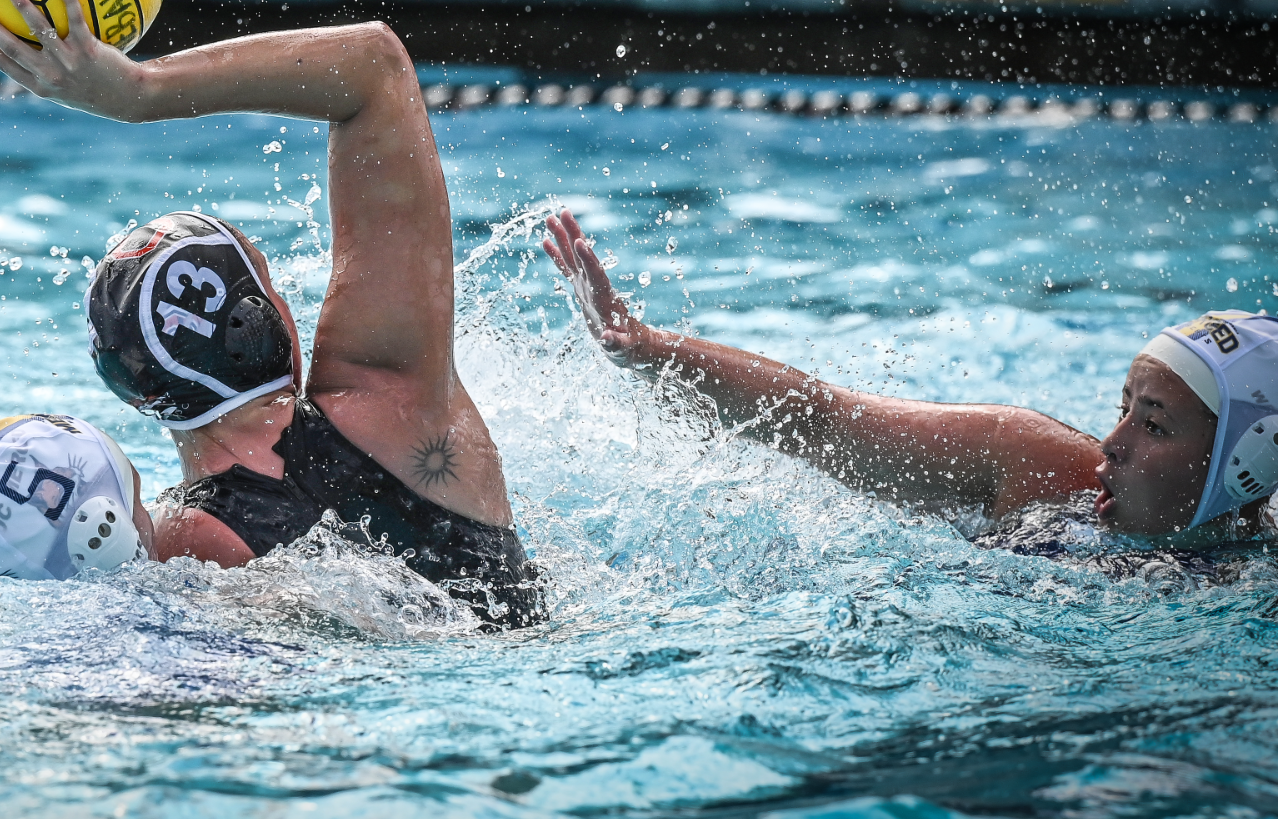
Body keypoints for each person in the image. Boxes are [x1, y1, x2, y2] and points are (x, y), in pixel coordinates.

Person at [0, 0, 541, 627]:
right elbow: (374, 66)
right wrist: (138, 91)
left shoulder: (173, 547)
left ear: (141, 397)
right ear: (268, 321)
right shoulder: (392, 398)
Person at [540, 208, 1278, 545]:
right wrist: (648, 347)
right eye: (1123, 408)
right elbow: (826, 420)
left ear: (1239, 466)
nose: (1112, 443)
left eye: (1154, 425)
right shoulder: (1036, 465)